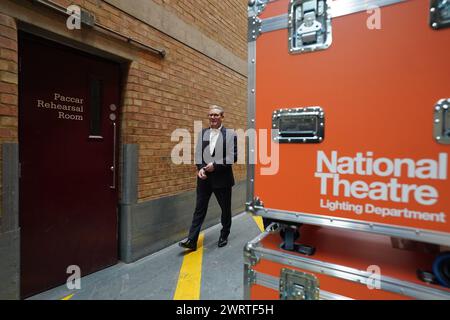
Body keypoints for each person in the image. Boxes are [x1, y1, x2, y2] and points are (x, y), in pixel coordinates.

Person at [179, 105, 237, 250]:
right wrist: (200, 169)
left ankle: (224, 234)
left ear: (222, 117)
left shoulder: (230, 134)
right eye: (210, 115)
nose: (212, 117)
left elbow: (233, 157)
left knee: (225, 209)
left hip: (222, 180)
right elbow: (198, 155)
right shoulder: (203, 133)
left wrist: (215, 165)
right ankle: (192, 241)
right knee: (199, 209)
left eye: (216, 115)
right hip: (204, 179)